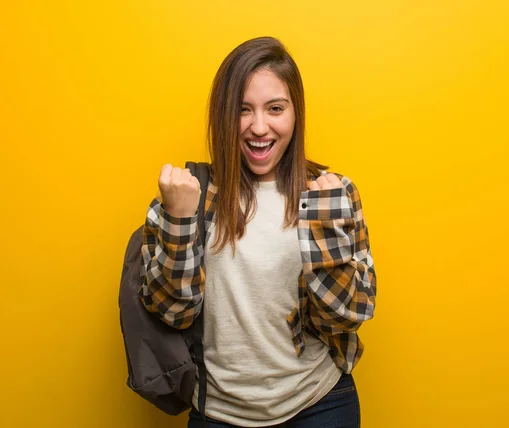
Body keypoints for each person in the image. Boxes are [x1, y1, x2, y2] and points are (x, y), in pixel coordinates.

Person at [139, 36, 377, 428]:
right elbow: (171, 314)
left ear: (296, 114)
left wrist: (326, 230)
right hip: (218, 412)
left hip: (319, 405)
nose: (259, 127)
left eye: (275, 108)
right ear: (222, 115)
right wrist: (179, 221)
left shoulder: (330, 193)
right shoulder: (188, 194)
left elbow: (346, 318)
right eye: (242, 110)